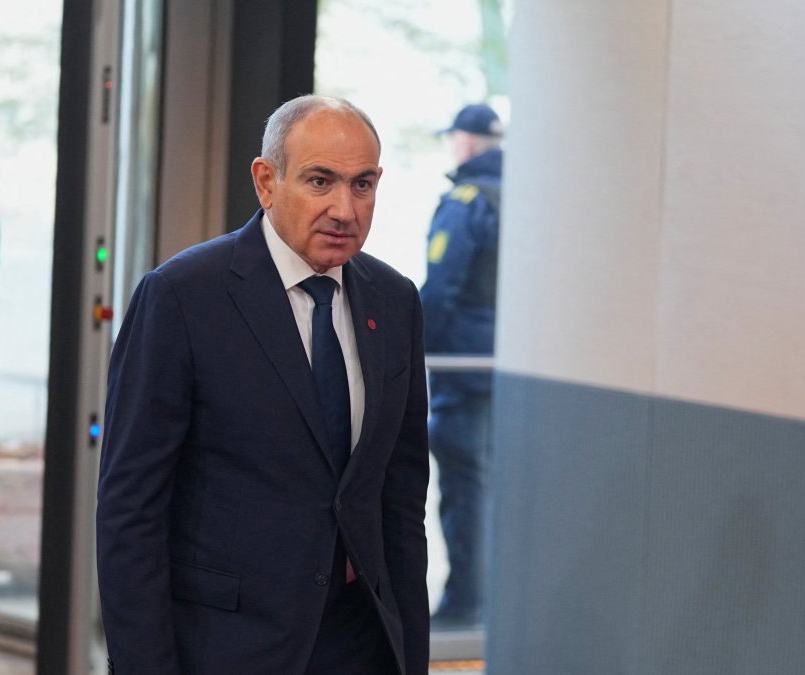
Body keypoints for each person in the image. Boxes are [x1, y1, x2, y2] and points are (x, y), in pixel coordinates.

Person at [96, 94, 430, 675]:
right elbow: (131, 510)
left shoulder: (395, 301)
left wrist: (411, 655)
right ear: (266, 181)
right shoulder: (182, 296)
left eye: (362, 185)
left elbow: (401, 502)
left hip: (359, 641)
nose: (344, 209)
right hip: (228, 644)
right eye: (320, 181)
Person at [419, 102, 504, 629]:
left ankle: (463, 605)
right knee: (494, 486)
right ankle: (488, 603)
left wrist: (406, 355)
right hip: (513, 373)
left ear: (467, 142)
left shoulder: (467, 201)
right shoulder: (532, 197)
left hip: (462, 371)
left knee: (463, 487)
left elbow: (441, 287)